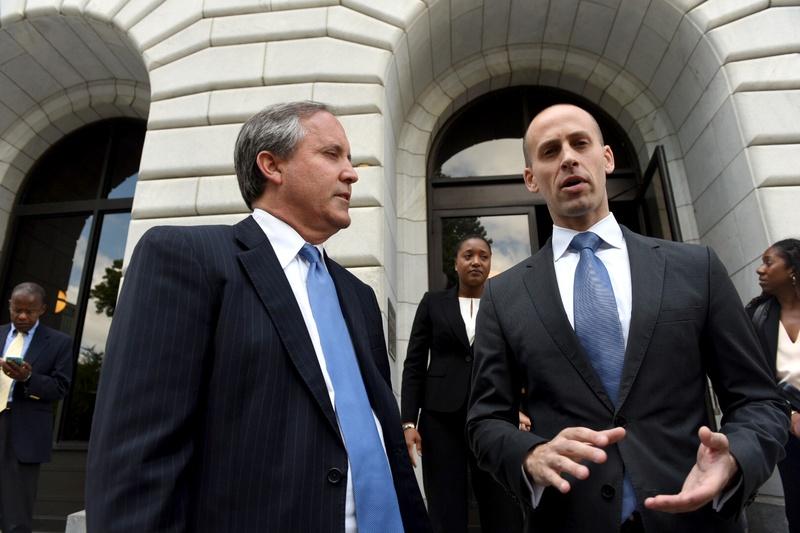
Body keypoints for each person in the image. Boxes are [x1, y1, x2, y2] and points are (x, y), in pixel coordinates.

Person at [86, 101, 430, 532]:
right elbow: (136, 461)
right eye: (331, 154)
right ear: (271, 165)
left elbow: (382, 442)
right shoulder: (184, 259)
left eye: (350, 158)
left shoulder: (359, 297)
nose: (352, 173)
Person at [466, 103, 789, 533]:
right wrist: (529, 455)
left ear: (607, 159)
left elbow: (759, 401)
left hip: (694, 518)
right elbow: (485, 421)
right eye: (549, 152)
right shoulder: (505, 296)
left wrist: (735, 457)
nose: (567, 158)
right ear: (531, 179)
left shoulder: (696, 269)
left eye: (580, 143)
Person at [401, 235, 524, 533]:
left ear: (490, 263)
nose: (476, 262)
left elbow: (519, 360)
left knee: (502, 503)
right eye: (468, 255)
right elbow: (414, 364)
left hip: (494, 417)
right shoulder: (433, 303)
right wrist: (408, 422)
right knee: (445, 505)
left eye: (483, 256)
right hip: (440, 419)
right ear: (455, 263)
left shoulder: (503, 304)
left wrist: (521, 407)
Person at [0, 282, 73, 533]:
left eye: (29, 311)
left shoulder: (59, 343)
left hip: (24, 430)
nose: (22, 316)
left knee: (15, 511)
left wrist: (28, 379)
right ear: (10, 306)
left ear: (42, 309)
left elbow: (60, 388)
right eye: (16, 309)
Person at [747, 238, 800, 532]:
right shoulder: (756, 317)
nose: (760, 269)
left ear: (791, 269)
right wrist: (789, 415)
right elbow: (753, 378)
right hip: (789, 434)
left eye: (769, 262)